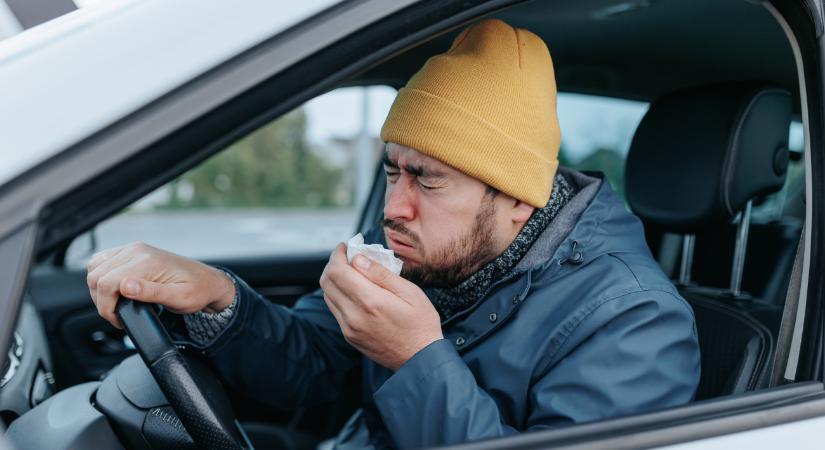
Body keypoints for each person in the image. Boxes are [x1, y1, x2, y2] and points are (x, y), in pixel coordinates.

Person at [86, 19, 700, 449]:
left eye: (427, 181)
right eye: (391, 171)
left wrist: (413, 358)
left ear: (516, 198)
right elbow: (319, 363)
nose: (394, 207)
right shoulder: (430, 254)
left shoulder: (635, 322)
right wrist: (221, 298)